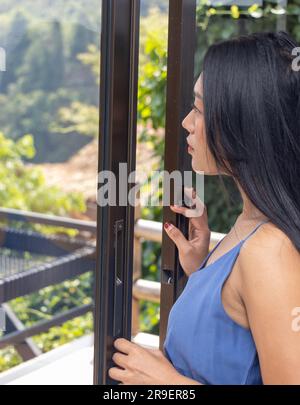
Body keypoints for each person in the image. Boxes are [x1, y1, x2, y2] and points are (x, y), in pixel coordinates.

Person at [109, 31, 300, 385]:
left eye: (198, 108)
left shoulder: (270, 252)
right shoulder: (253, 222)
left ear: (242, 122)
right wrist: (206, 270)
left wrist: (167, 383)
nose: (186, 122)